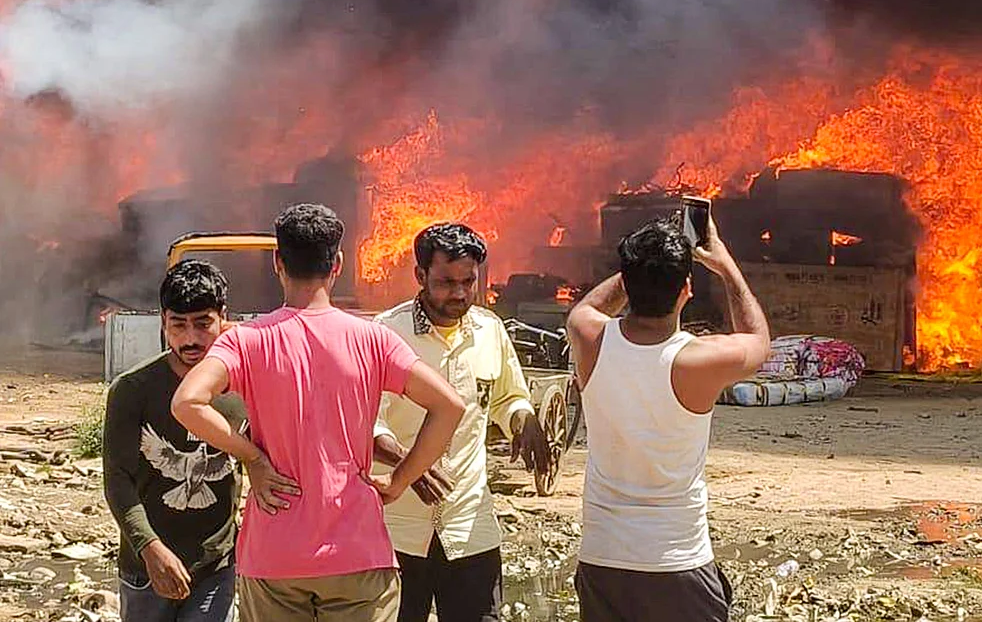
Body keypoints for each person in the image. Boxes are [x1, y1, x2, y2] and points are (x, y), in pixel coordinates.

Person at [172, 203, 466, 622]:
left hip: (274, 554)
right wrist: (401, 481)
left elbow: (187, 402)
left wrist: (252, 457)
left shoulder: (246, 341)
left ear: (278, 262)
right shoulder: (373, 339)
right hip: (357, 554)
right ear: (338, 264)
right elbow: (449, 406)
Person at [566, 216, 770, 621]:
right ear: (686, 291)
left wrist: (637, 267)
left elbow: (587, 307)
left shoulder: (590, 339)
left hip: (603, 557)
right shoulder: (700, 359)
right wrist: (726, 265)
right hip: (675, 561)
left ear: (627, 281)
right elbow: (759, 339)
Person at [372, 222, 550, 622]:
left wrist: (523, 419)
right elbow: (366, 424)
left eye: (468, 281)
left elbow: (508, 396)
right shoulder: (384, 335)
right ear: (420, 276)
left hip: (471, 529)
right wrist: (409, 466)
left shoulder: (490, 331)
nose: (459, 293)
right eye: (445, 282)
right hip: (397, 532)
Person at [103, 260, 245, 622]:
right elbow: (117, 480)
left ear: (223, 318)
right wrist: (149, 548)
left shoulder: (243, 388)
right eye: (178, 325)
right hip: (146, 571)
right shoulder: (133, 389)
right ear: (163, 322)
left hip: (216, 567)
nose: (191, 338)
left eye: (202, 323)